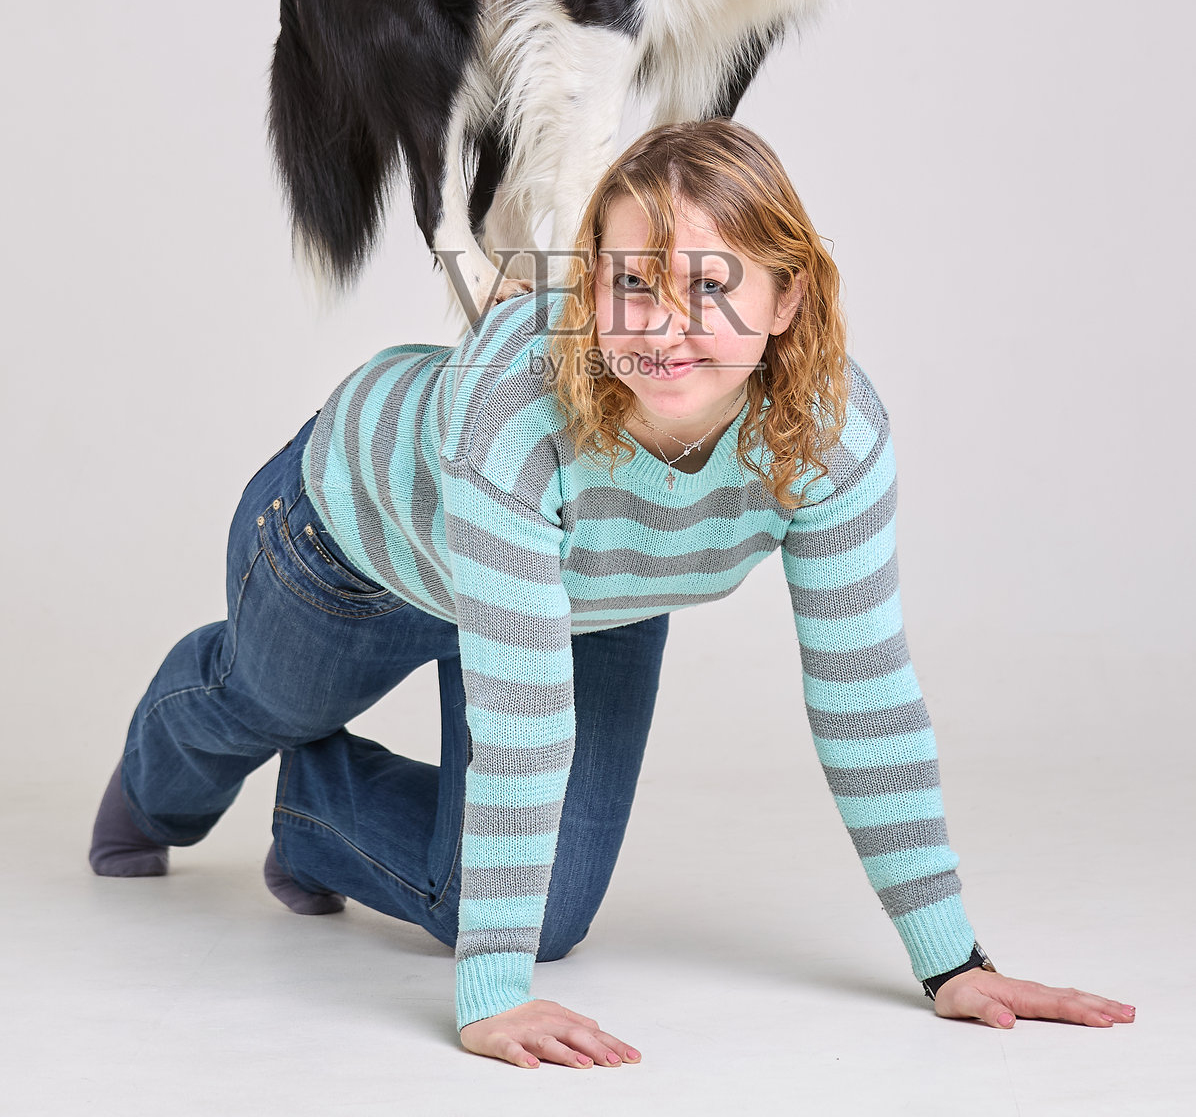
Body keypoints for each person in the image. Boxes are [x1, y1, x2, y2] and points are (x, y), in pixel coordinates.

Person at [89, 119, 1134, 1070]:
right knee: (262, 702)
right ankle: (168, 755)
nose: (664, 326)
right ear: (587, 289)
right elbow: (522, 714)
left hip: (587, 600)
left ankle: (313, 805)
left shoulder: (830, 434)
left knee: (547, 915)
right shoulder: (521, 403)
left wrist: (949, 959)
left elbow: (863, 695)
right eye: (629, 284)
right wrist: (489, 998)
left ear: (788, 297)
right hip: (358, 544)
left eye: (712, 283)